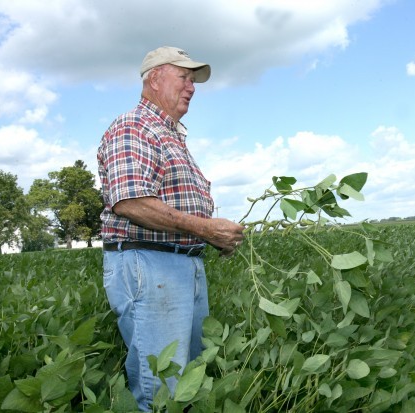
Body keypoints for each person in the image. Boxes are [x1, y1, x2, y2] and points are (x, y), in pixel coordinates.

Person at [97, 46, 245, 411]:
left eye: (193, 80)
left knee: (186, 382)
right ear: (154, 78)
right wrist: (207, 230)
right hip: (149, 265)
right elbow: (130, 201)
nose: (191, 87)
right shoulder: (135, 125)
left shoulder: (172, 135)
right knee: (162, 388)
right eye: (184, 77)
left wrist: (212, 234)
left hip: (181, 265)